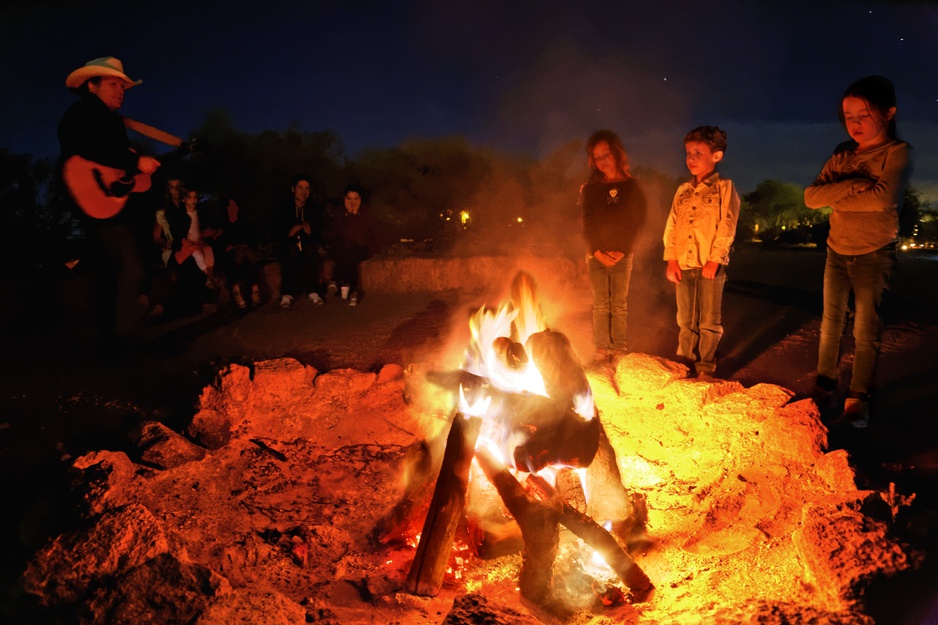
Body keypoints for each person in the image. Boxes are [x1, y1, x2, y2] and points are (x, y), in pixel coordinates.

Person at [804, 75, 913, 429]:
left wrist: (837, 195)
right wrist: (854, 186)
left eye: (863, 115)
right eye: (848, 116)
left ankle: (858, 397)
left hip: (875, 251)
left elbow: (884, 199)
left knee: (866, 328)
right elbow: (810, 198)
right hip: (837, 249)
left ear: (889, 112)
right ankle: (824, 386)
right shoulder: (841, 154)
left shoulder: (897, 152)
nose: (854, 124)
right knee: (830, 323)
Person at [58, 56, 161, 343]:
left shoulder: (111, 122)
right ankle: (122, 333)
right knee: (128, 264)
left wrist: (136, 176)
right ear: (92, 85)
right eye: (114, 84)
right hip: (93, 201)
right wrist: (135, 164)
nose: (120, 92)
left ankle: (115, 339)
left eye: (123, 87)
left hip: (108, 204)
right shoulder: (83, 114)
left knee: (114, 270)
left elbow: (118, 168)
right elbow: (85, 148)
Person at [663, 126, 741, 379]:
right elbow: (672, 226)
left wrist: (715, 259)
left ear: (716, 156)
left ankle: (706, 366)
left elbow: (727, 225)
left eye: (698, 152)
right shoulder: (682, 191)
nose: (691, 158)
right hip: (684, 265)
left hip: (710, 266)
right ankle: (684, 362)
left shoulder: (724, 188)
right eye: (688, 152)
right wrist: (671, 259)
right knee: (685, 320)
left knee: (709, 321)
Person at [579, 130, 647, 363]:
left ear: (617, 153)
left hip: (622, 255)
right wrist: (597, 251)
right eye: (597, 158)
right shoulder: (589, 188)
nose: (602, 161)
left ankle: (618, 349)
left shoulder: (632, 187)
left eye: (605, 155)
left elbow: (636, 221)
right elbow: (587, 222)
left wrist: (622, 250)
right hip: (595, 255)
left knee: (618, 304)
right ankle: (601, 349)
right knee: (600, 305)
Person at [275, 174, 326, 309]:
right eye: (300, 188)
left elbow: (319, 231)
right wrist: (292, 230)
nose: (304, 192)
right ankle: (287, 293)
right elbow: (278, 232)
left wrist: (309, 230)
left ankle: (313, 291)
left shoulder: (313, 208)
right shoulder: (283, 208)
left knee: (310, 251)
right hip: (289, 245)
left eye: (307, 188)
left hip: (308, 244)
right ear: (293, 189)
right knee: (290, 252)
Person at [328, 184, 379, 307]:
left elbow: (359, 237)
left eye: (355, 199)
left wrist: (354, 217)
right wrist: (347, 217)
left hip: (361, 247)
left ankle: (340, 280)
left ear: (360, 199)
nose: (352, 202)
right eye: (349, 199)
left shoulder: (366, 213)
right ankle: (352, 289)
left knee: (351, 249)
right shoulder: (340, 213)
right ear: (345, 199)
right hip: (345, 250)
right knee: (345, 248)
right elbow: (334, 234)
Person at [215, 197, 262, 309]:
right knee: (237, 256)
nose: (232, 209)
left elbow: (253, 238)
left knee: (246, 254)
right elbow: (222, 244)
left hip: (244, 252)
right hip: (231, 256)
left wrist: (241, 245)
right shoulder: (223, 225)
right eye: (230, 206)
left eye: (234, 206)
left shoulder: (244, 223)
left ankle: (253, 289)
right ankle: (238, 289)